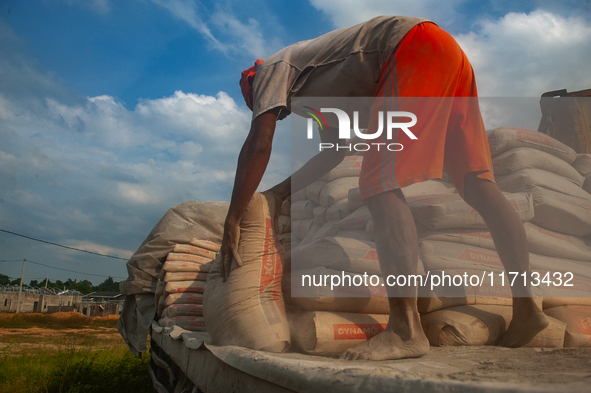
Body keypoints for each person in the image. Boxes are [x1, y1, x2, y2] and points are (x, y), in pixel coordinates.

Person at [220, 16, 549, 361]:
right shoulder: (313, 95)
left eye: (265, 107)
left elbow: (259, 144)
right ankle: (527, 309)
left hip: (411, 49)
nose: (280, 115)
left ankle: (406, 330)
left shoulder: (272, 69)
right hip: (447, 52)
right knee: (477, 185)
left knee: (379, 184)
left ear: (253, 86)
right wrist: (279, 193)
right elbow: (335, 152)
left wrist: (233, 218)